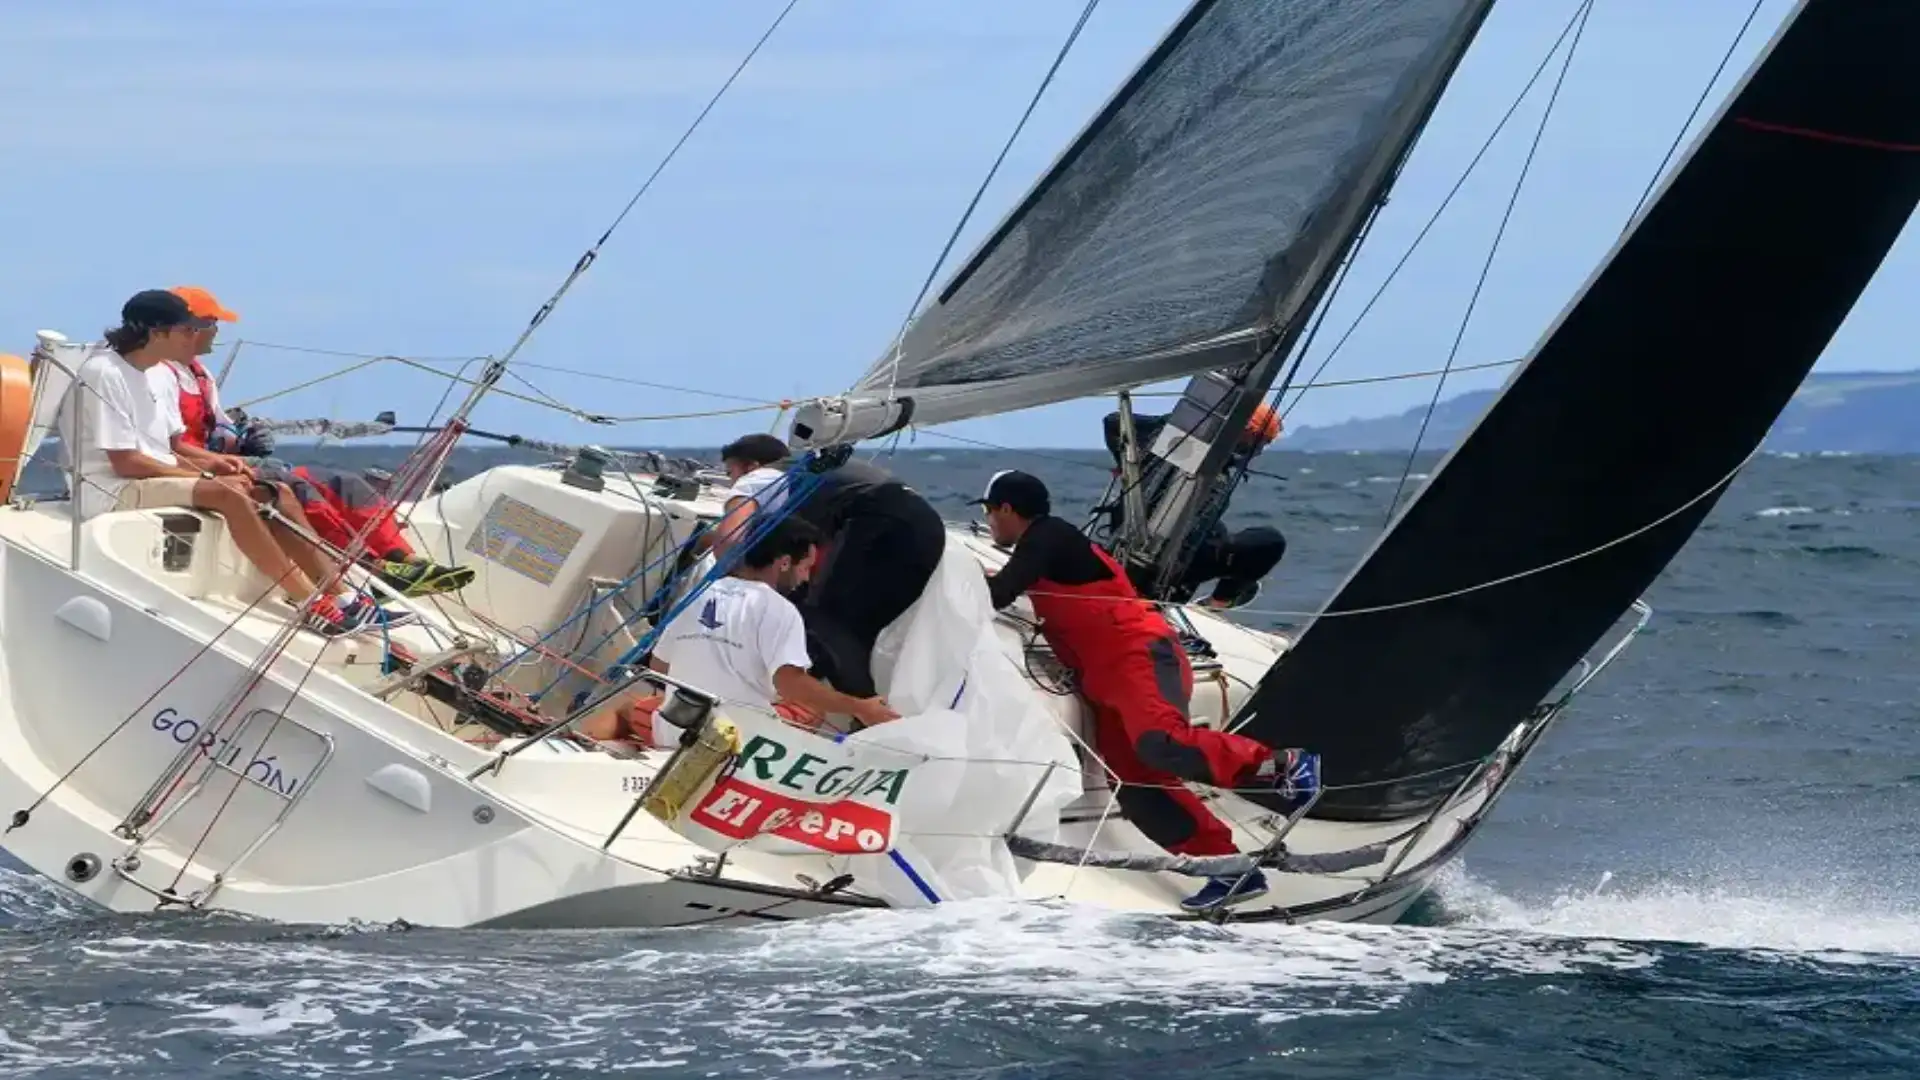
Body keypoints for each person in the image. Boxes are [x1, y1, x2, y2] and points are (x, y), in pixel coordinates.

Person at [974, 469, 1320, 910]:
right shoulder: (1044, 549)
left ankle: (1283, 764)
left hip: (1139, 656)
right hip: (1105, 678)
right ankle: (1229, 870)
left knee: (1160, 742)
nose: (988, 524)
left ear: (1006, 508)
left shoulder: (1049, 535)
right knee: (1136, 785)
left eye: (988, 513)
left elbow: (1001, 592)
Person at [63, 290, 401, 637]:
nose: (197, 336)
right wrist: (209, 476)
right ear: (156, 332)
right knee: (230, 495)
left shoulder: (153, 375)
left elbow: (173, 446)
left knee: (276, 492)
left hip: (145, 476)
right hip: (108, 488)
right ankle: (309, 603)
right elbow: (126, 462)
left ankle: (342, 598)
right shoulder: (105, 373)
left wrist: (221, 462)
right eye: (188, 329)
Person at [156, 286, 473, 598]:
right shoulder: (158, 375)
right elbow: (165, 445)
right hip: (190, 464)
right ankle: (369, 568)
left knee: (344, 482)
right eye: (212, 323)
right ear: (190, 329)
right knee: (294, 483)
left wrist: (245, 441)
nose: (217, 331)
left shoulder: (200, 375)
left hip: (217, 457)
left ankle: (406, 560)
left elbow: (221, 429)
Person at [580, 517, 900, 745]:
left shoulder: (696, 595)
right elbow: (790, 686)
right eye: (806, 567)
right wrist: (860, 707)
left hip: (674, 732)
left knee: (627, 707)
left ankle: (578, 742)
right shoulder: (780, 610)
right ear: (785, 562)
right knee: (811, 706)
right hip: (735, 744)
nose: (807, 578)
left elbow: (659, 668)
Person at [708, 433, 946, 698]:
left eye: (731, 472)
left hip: (881, 523)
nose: (731, 481)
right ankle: (851, 707)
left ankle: (863, 712)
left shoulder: (760, 478)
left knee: (825, 622)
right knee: (856, 628)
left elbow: (729, 540)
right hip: (927, 530)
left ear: (750, 466)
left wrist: (728, 591)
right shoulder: (816, 476)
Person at [1100, 402, 1288, 609]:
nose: (1258, 451)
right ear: (1241, 432)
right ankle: (1220, 600)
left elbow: (1113, 422)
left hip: (1123, 539)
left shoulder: (1165, 434)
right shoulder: (1213, 472)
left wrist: (1127, 465)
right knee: (1270, 541)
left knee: (1217, 530)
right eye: (1258, 442)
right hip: (1166, 565)